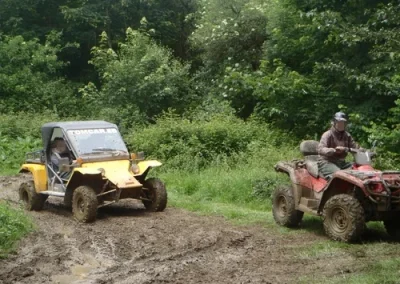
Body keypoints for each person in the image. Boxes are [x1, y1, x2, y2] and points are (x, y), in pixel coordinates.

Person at [317, 112, 362, 178]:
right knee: (340, 176)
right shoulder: (327, 134)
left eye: (343, 123)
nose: (341, 124)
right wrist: (334, 150)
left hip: (341, 163)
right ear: (334, 123)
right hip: (327, 162)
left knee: (359, 168)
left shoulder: (347, 135)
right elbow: (320, 149)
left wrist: (365, 152)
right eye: (339, 122)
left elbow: (355, 147)